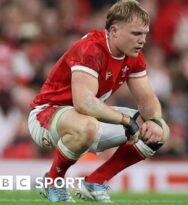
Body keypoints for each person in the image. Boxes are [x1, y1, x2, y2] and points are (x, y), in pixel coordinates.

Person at [27, 0, 169, 202]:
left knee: (160, 131)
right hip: (47, 116)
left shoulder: (134, 56)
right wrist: (126, 120)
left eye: (145, 34)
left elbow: (148, 102)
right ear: (114, 31)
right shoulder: (90, 48)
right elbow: (84, 103)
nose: (142, 40)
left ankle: (95, 182)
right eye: (136, 34)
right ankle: (53, 181)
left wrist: (155, 120)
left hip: (86, 119)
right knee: (88, 126)